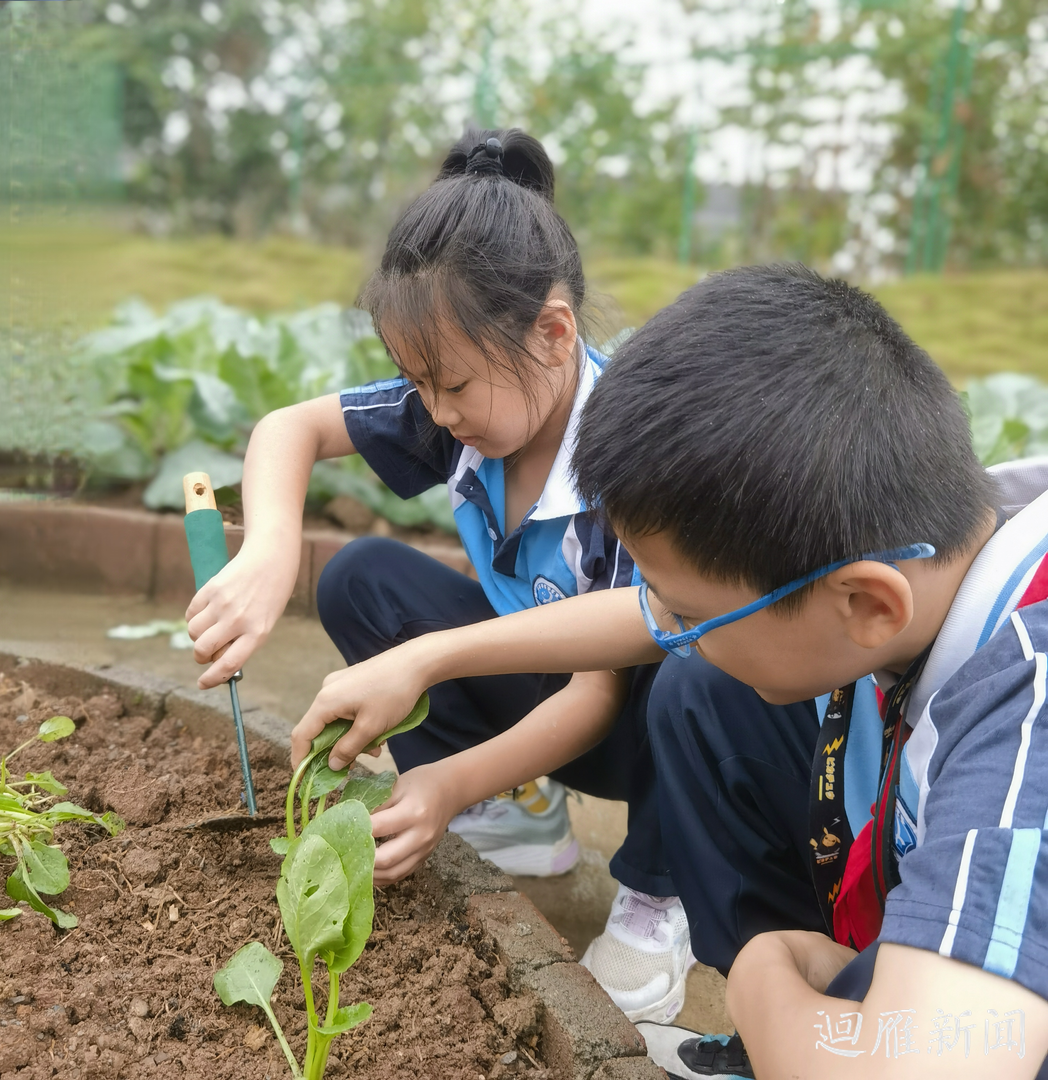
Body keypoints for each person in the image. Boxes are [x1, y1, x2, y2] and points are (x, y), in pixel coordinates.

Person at [295, 263, 1048, 1078]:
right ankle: (802, 1029)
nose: (665, 625)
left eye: (689, 613)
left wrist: (763, 978)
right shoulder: (930, 546)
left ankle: (789, 1035)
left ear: (868, 604)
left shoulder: (1026, 697)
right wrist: (425, 658)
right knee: (709, 690)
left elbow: (924, 1069)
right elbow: (638, 621)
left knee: (868, 991)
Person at [186, 127, 693, 1024]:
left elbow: (599, 692)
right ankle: (523, 807)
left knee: (689, 665)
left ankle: (659, 892)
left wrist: (444, 778)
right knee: (362, 577)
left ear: (553, 333)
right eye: (415, 383)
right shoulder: (456, 401)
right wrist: (269, 549)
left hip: (630, 723)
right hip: (534, 678)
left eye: (450, 384)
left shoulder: (631, 459)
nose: (434, 412)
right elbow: (286, 429)